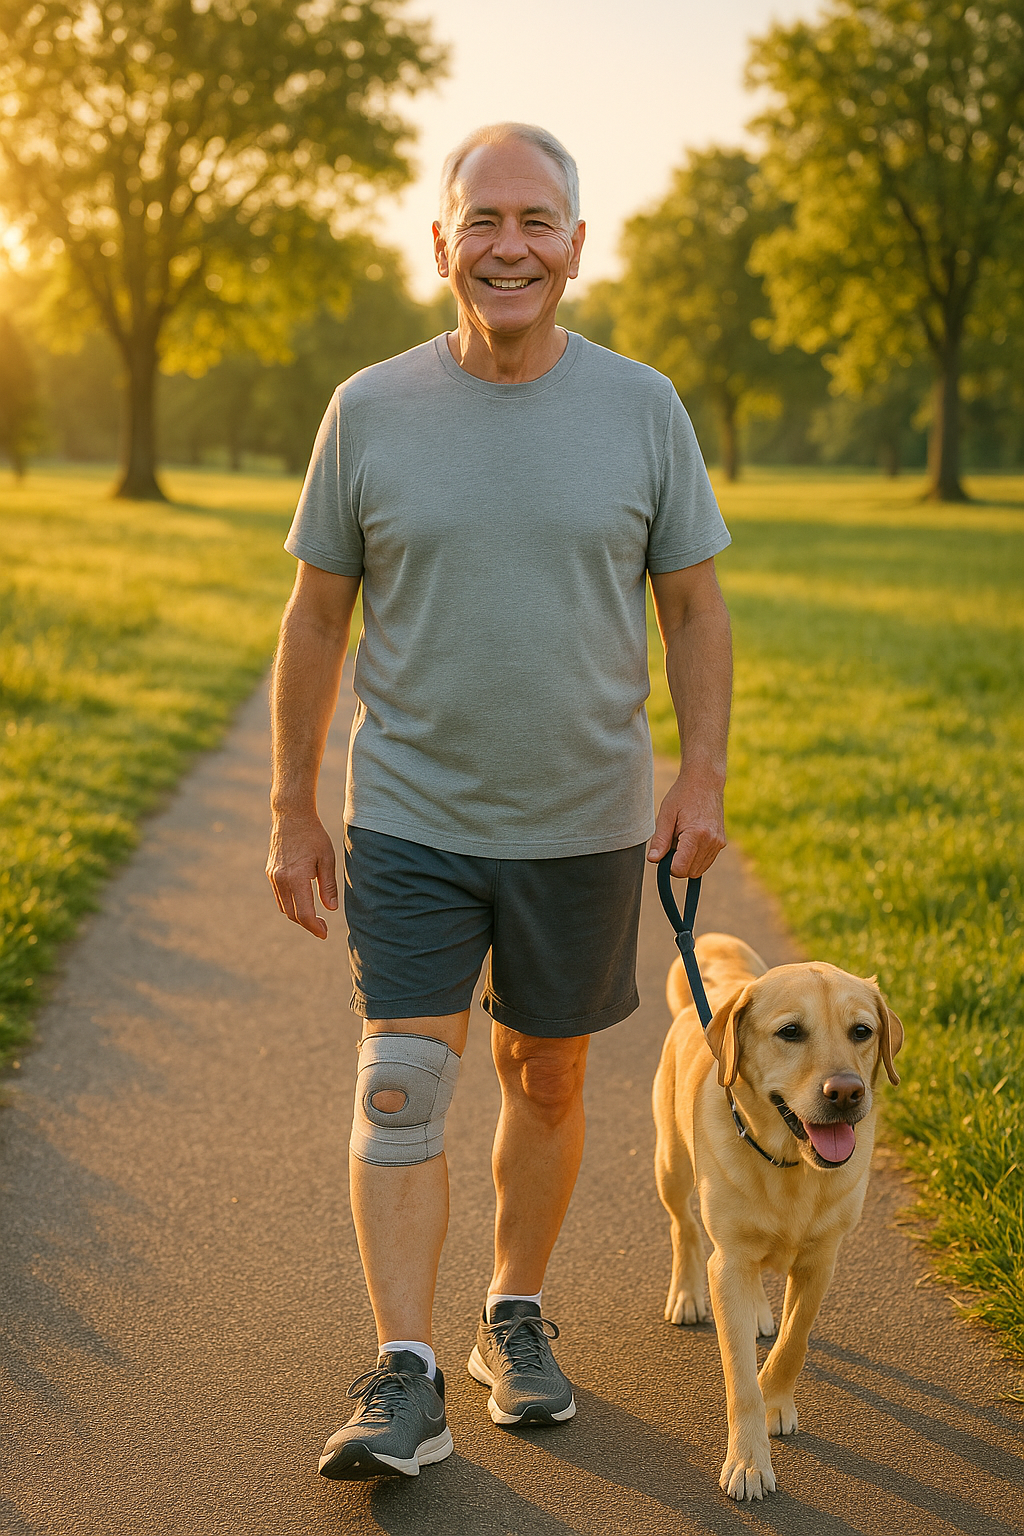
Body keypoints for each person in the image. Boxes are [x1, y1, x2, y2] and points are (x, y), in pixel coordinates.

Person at [266, 121, 733, 1482]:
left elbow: (695, 607)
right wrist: (294, 808)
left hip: (584, 819)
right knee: (404, 1085)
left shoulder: (644, 406)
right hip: (411, 813)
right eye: (483, 221)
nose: (509, 245)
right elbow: (313, 620)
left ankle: (511, 1313)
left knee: (550, 1071)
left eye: (536, 221)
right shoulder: (368, 409)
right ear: (441, 244)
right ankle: (404, 1372)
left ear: (578, 247)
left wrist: (699, 773)